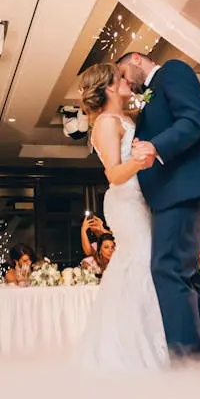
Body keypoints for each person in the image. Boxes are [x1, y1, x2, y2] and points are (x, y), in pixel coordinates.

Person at [117, 51, 200, 365]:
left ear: (138, 59)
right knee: (187, 274)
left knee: (167, 268)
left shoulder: (173, 71)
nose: (125, 81)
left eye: (124, 73)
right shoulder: (151, 94)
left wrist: (156, 146)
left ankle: (188, 363)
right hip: (175, 192)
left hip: (185, 188)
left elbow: (194, 118)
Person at [75, 63, 168, 369]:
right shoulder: (105, 122)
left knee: (141, 265)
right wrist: (142, 161)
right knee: (141, 260)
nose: (128, 80)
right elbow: (113, 173)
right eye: (121, 77)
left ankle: (145, 342)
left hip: (140, 199)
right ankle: (130, 352)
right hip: (125, 200)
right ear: (110, 86)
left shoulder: (127, 116)